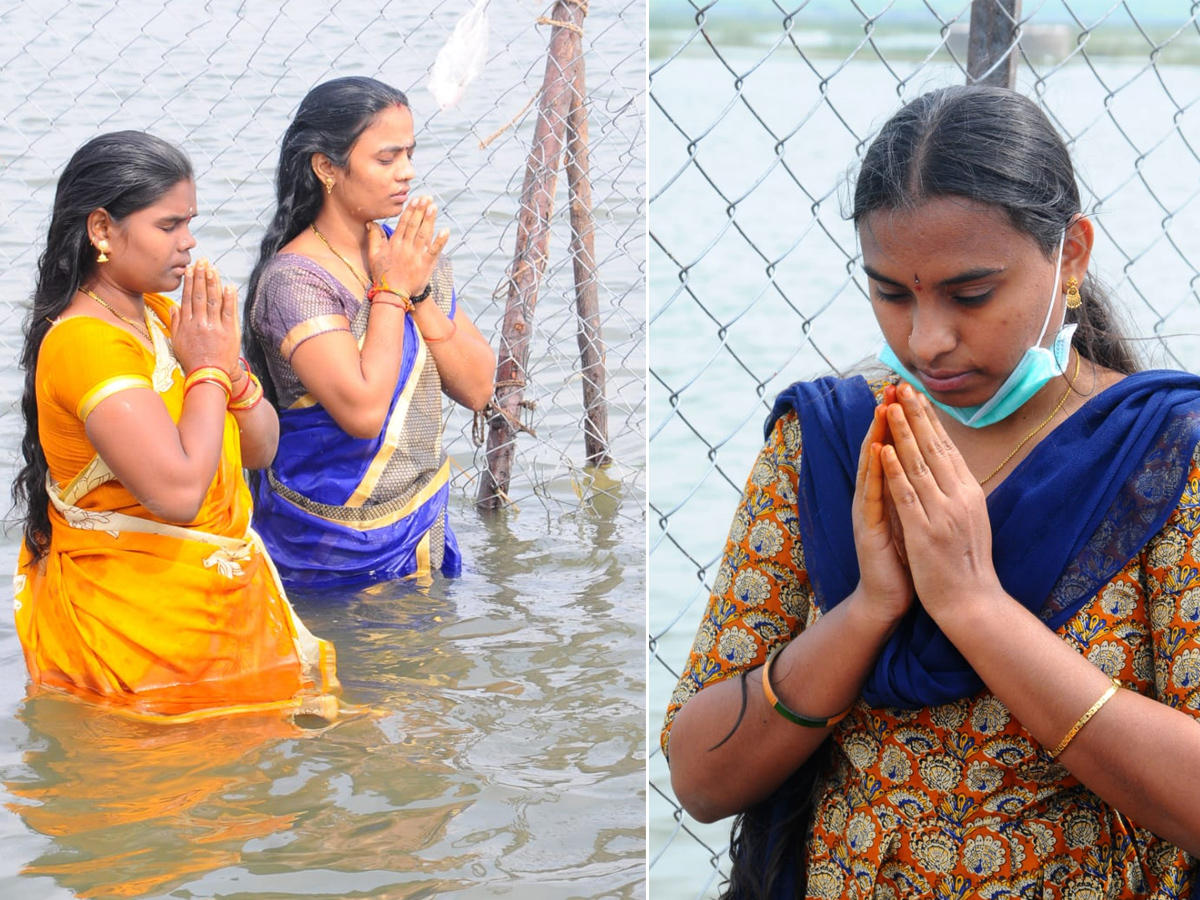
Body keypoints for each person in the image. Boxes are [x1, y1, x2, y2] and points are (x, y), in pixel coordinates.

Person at [661, 85, 1200, 898]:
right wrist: (867, 609)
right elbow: (701, 780)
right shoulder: (831, 445)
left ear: (1072, 254)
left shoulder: (1163, 459)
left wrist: (976, 608)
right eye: (891, 293)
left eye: (971, 294)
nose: (926, 340)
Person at [12, 131, 340, 723]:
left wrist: (225, 371)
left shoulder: (164, 317)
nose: (188, 243)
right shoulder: (86, 345)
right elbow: (181, 496)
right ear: (102, 230)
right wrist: (210, 368)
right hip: (137, 645)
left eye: (189, 222)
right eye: (168, 226)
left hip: (217, 621)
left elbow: (263, 447)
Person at [243, 76, 495, 590]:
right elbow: (363, 413)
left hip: (418, 525)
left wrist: (417, 295)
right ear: (326, 167)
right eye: (386, 159)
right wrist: (391, 292)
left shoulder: (405, 255)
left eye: (410, 154)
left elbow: (478, 388)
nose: (407, 173)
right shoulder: (295, 281)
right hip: (323, 549)